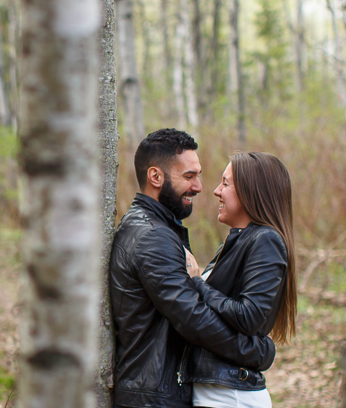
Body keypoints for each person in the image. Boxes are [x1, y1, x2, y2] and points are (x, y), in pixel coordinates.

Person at [110, 129, 276, 408]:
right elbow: (193, 319)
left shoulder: (147, 227)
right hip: (154, 398)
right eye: (189, 176)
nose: (199, 187)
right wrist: (257, 352)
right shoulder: (152, 236)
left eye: (197, 175)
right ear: (155, 177)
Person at [183, 152, 298, 408]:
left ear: (251, 192)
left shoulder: (265, 240)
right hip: (218, 392)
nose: (216, 191)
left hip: (230, 396)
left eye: (225, 183)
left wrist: (198, 283)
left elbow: (250, 315)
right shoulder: (239, 240)